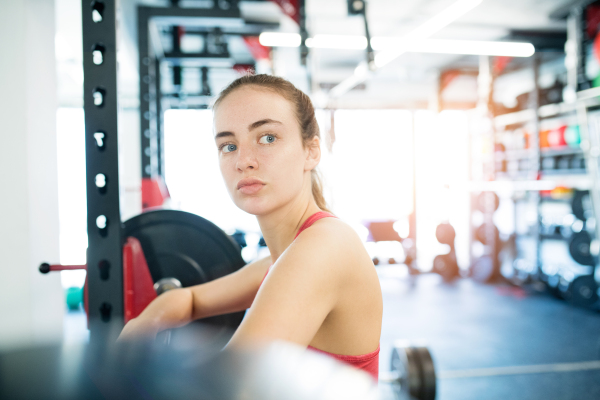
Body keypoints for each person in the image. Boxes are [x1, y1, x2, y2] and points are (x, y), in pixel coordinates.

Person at [118, 74, 383, 379]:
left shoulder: (325, 247)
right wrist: (141, 327)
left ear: (311, 151)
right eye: (229, 145)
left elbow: (229, 386)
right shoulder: (281, 259)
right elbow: (187, 299)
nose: (244, 161)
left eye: (267, 138)